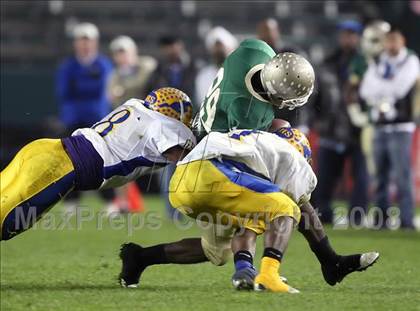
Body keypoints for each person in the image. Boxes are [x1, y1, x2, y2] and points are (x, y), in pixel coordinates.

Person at [119, 127, 379, 292]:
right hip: (211, 175)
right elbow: (303, 207)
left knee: (217, 249)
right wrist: (329, 258)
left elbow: (252, 221)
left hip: (184, 184)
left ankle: (139, 257)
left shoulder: (260, 148)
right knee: (287, 207)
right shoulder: (293, 158)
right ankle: (270, 274)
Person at [0, 88, 195, 241]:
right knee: (9, 222)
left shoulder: (135, 105)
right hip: (59, 167)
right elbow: (185, 161)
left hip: (42, 149)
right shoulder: (163, 126)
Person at [359, 28, 420, 229]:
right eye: (389, 40)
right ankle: (381, 220)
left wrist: (380, 89)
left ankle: (407, 221)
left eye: (395, 40)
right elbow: (365, 90)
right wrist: (385, 89)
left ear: (402, 41)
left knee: (403, 177)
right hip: (379, 126)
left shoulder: (410, 61)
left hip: (401, 126)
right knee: (380, 177)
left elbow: (401, 88)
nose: (391, 44)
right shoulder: (378, 62)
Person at [311, 20, 369, 225]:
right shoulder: (328, 62)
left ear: (359, 38)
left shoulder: (367, 63)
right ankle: (323, 216)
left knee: (360, 178)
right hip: (331, 129)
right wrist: (316, 119)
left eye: (352, 34)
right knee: (325, 178)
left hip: (359, 130)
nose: (348, 38)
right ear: (340, 36)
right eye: (345, 34)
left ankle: (358, 218)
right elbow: (316, 94)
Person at [56, 22, 115, 211]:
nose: (85, 44)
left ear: (95, 42)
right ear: (76, 43)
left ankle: (110, 201)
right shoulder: (68, 66)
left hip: (97, 119)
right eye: (81, 40)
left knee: (103, 159)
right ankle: (71, 201)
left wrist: (81, 86)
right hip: (73, 119)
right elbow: (64, 92)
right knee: (70, 161)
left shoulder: (103, 65)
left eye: (88, 40)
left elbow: (103, 91)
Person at [149, 35, 197, 219]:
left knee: (190, 168)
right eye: (166, 47)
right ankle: (172, 212)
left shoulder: (193, 67)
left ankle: (190, 209)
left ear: (180, 45)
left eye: (172, 45)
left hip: (189, 124)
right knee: (169, 168)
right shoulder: (160, 69)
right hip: (166, 126)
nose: (169, 50)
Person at [108, 36, 157, 108]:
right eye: (118, 54)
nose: (122, 57)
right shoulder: (115, 74)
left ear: (134, 51)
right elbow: (111, 96)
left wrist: (124, 89)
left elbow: (142, 83)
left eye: (124, 52)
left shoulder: (147, 64)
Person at [195, 26, 237, 106]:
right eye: (215, 48)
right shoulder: (204, 76)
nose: (218, 51)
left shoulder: (242, 72)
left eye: (221, 48)